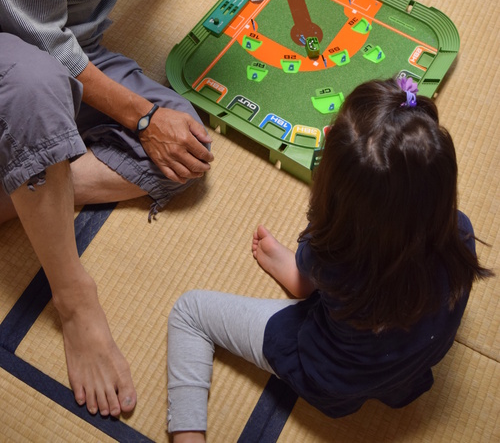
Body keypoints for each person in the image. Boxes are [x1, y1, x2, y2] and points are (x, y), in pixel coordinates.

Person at [0, 0, 269, 418]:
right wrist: (138, 116)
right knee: (37, 89)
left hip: (76, 43)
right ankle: (73, 294)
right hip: (19, 45)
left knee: (188, 153)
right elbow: (39, 40)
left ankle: (37, 184)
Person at [166, 77, 491, 440]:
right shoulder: (460, 231)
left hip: (333, 380)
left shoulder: (330, 254)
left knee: (189, 312)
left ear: (333, 190)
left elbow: (311, 282)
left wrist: (302, 268)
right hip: (406, 371)